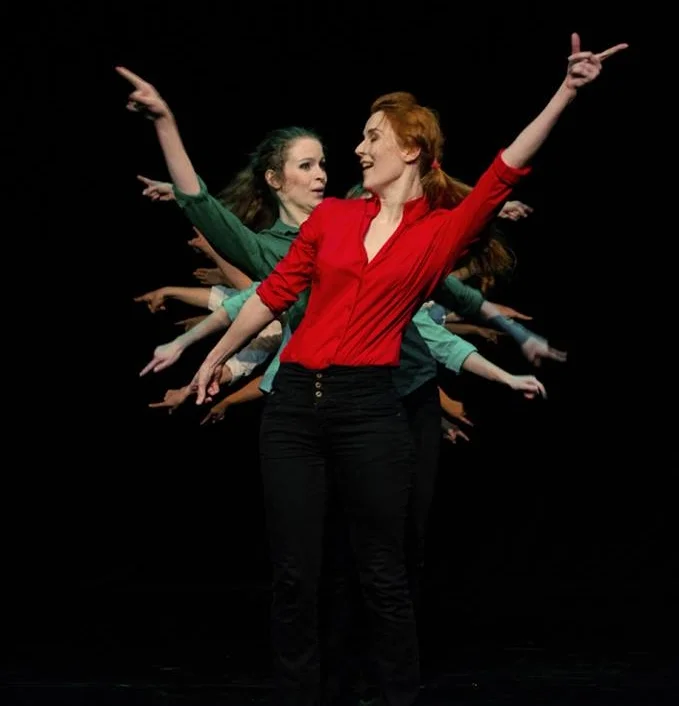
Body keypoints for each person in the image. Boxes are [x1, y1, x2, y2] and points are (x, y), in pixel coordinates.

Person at [117, 33, 627, 706]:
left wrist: (566, 90)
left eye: (370, 137)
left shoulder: (439, 231)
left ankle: (394, 697)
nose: (357, 149)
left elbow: (505, 168)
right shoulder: (331, 217)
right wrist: (211, 356)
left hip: (368, 410)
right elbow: (273, 294)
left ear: (410, 149)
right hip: (293, 408)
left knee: (382, 575)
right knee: (294, 576)